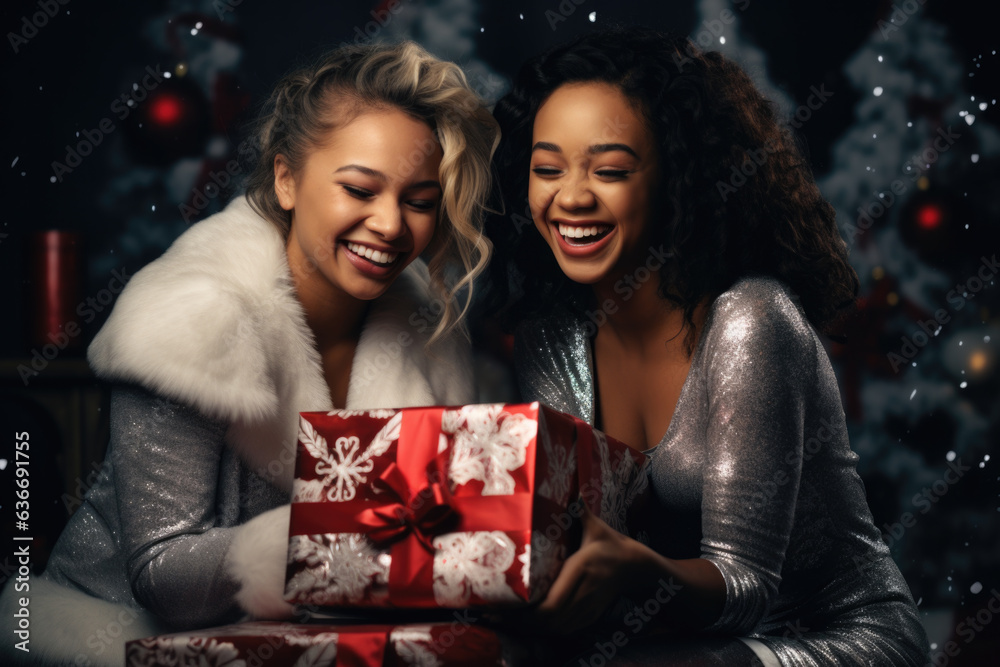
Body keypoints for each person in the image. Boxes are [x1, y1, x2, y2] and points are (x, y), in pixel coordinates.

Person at [0, 41, 499, 667]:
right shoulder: (190, 318)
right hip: (115, 638)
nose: (392, 225)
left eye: (419, 201)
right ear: (287, 180)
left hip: (314, 647)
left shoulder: (429, 327)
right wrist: (358, 539)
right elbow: (164, 577)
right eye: (359, 189)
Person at [485, 27, 929, 666]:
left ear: (679, 177)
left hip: (824, 634)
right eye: (546, 169)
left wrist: (637, 570)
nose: (572, 197)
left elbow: (749, 589)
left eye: (609, 170)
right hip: (675, 639)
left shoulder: (751, 320)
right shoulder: (550, 338)